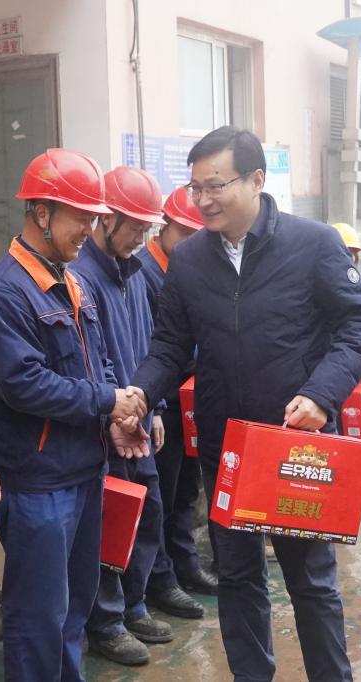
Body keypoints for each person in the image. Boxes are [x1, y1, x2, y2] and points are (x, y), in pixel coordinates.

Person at [124, 126, 361, 682]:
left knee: (311, 583)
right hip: (229, 451)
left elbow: (359, 324)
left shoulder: (313, 245)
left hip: (297, 448)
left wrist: (321, 395)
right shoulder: (190, 261)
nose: (204, 200)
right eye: (195, 188)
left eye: (216, 185)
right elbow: (169, 347)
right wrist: (140, 393)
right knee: (238, 579)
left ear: (257, 179)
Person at [0, 149, 147, 681]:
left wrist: (116, 414)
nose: (88, 229)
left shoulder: (72, 281)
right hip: (39, 482)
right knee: (38, 617)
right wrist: (106, 402)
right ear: (42, 212)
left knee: (75, 608)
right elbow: (24, 385)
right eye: (80, 217)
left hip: (85, 471)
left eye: (94, 217)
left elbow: (100, 360)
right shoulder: (5, 293)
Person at [72, 166, 203, 667]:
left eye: (148, 228)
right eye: (134, 227)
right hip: (108, 425)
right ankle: (107, 621)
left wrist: (157, 407)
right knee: (112, 523)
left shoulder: (130, 273)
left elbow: (152, 348)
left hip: (140, 419)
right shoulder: (84, 277)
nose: (140, 238)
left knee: (146, 514)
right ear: (106, 219)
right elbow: (93, 357)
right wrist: (114, 411)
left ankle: (134, 604)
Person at [140, 186, 220, 606]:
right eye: (184, 232)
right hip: (163, 400)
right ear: (165, 226)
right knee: (163, 493)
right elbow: (153, 343)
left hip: (191, 397)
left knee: (188, 486)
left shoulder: (190, 268)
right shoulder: (144, 272)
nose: (191, 242)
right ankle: (161, 578)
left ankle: (185, 563)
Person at [332, 222, 361, 383]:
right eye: (345, 252)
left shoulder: (354, 287)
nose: (348, 259)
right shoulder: (320, 289)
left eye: (351, 254)